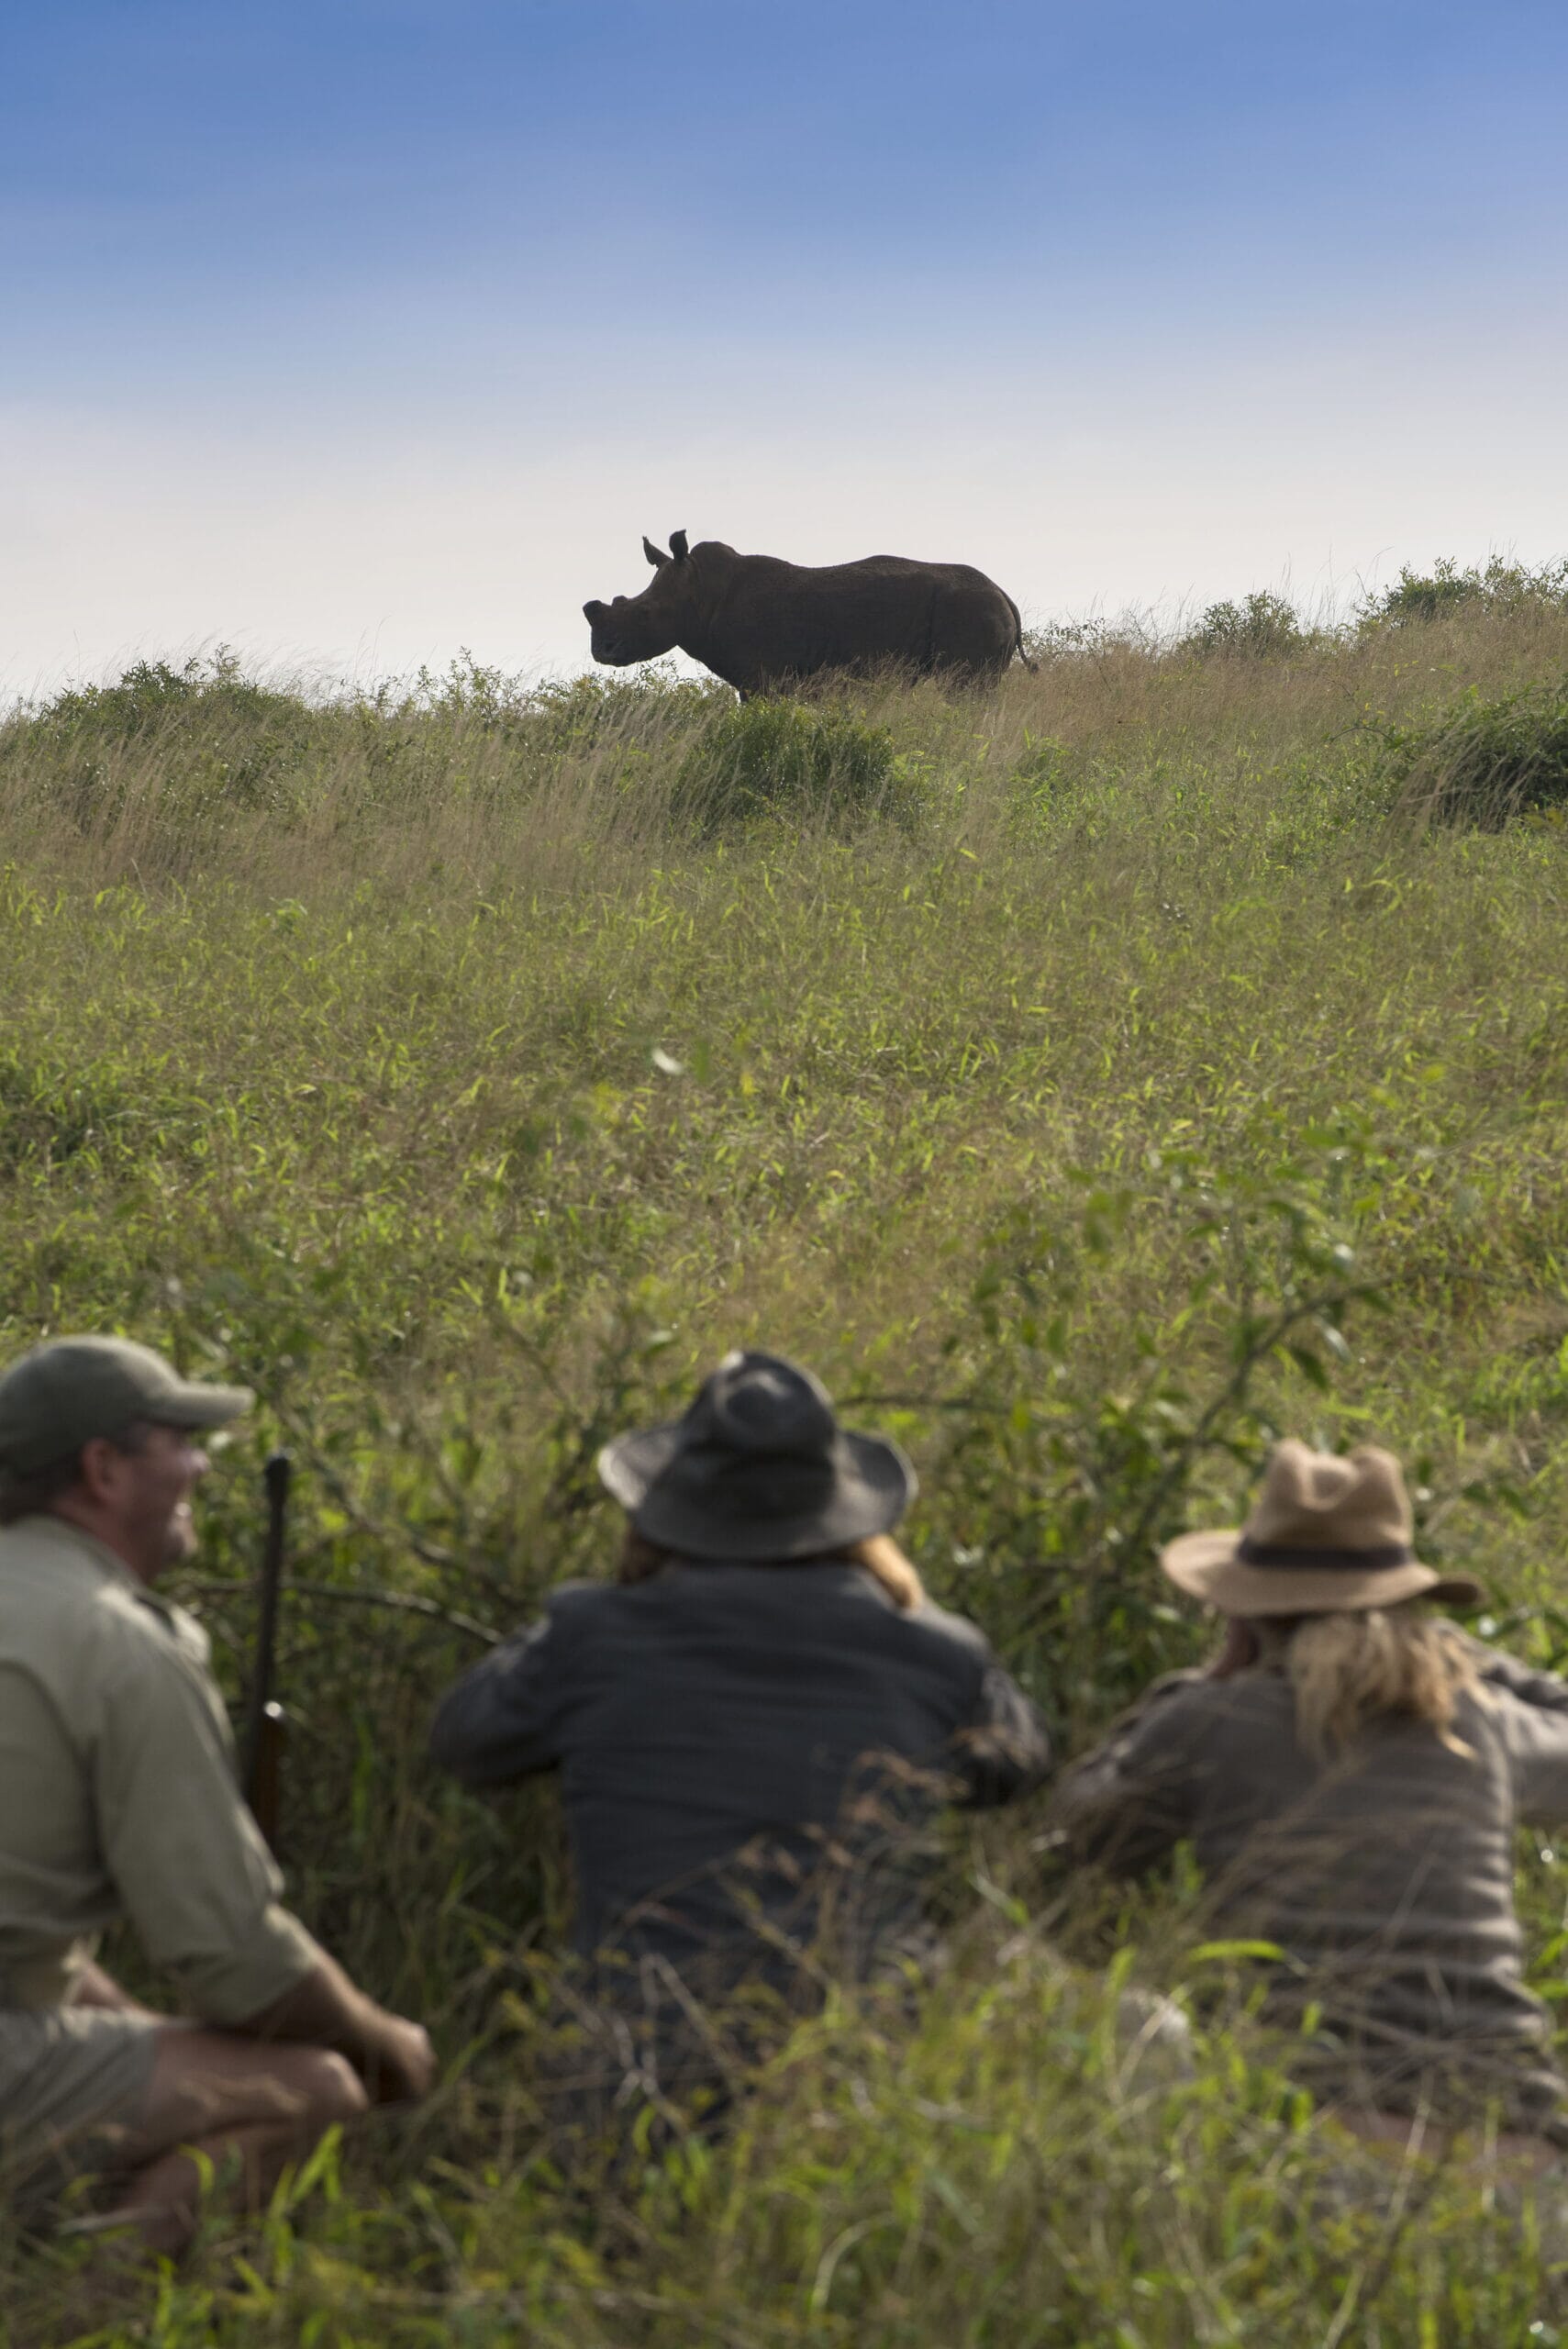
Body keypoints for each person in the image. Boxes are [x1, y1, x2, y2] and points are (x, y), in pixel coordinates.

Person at [430, 1350, 1049, 2124]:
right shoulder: (938, 1652)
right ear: (848, 1512)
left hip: (633, 2077)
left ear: (666, 1508)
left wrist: (586, 1618)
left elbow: (464, 1740)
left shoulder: (590, 1635)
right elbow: (1018, 1765)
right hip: (866, 2081)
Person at [0, 1337, 436, 2254]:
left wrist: (131, 2029)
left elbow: (24, 1928)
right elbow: (231, 1952)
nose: (201, 1465)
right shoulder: (118, 1644)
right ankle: (69, 2317)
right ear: (103, 1467)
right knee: (312, 2089)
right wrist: (389, 2049)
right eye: (182, 1441)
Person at [1053, 1438, 1568, 2149]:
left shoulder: (1207, 1721)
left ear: (1246, 1613)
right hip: (1518, 2153)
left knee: (1120, 2015)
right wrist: (1468, 1662)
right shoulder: (1481, 1722)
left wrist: (1186, 1690)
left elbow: (1073, 1841)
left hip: (1309, 2143)